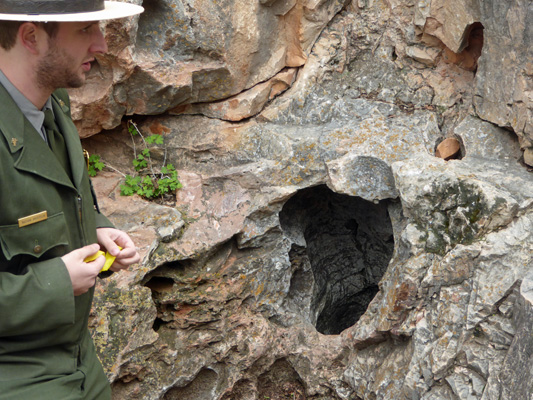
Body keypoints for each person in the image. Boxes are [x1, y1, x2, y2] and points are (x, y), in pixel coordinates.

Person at [0, 1, 144, 399]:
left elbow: (48, 203)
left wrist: (98, 229)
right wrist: (55, 283)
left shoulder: (52, 105)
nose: (101, 44)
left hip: (79, 361)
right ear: (31, 36)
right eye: (85, 30)